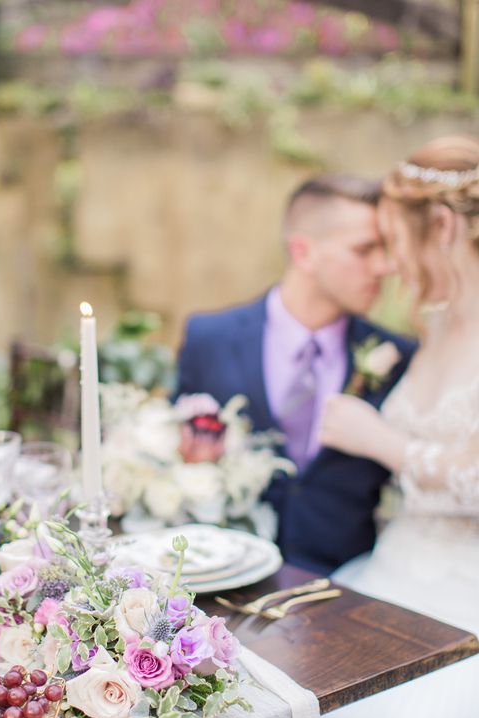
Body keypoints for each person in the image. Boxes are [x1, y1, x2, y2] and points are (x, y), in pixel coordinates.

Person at [319, 135, 479, 718]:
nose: (390, 262)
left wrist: (381, 441)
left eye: (395, 239)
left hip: (465, 589)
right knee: (302, 699)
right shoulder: (439, 321)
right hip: (394, 567)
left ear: (441, 226)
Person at [175, 174, 415, 574]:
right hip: (226, 581)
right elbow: (176, 456)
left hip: (348, 590)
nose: (385, 266)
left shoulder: (400, 357)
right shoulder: (209, 339)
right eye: (365, 249)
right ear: (304, 252)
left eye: (387, 249)